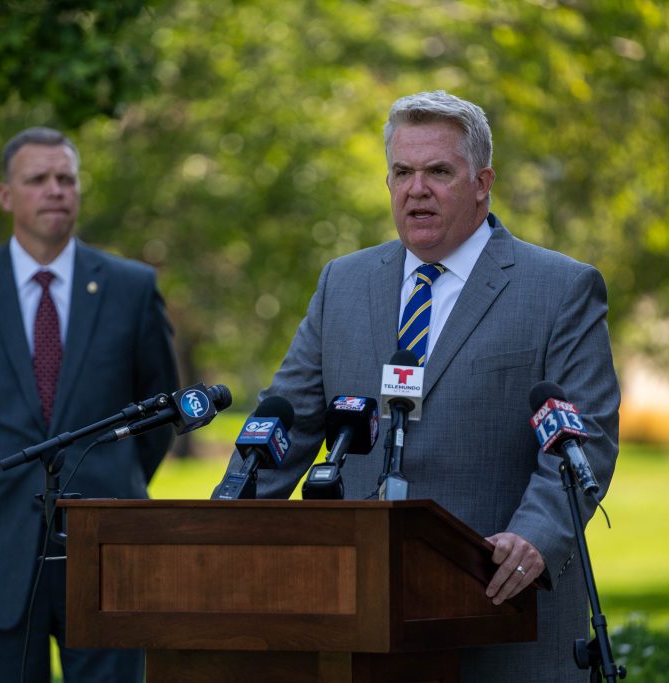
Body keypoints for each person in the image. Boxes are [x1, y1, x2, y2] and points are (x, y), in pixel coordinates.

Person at [216, 91, 620, 681]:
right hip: (360, 619)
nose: (417, 189)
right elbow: (288, 426)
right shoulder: (343, 283)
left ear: (482, 183)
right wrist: (219, 528)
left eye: (439, 172)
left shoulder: (559, 288)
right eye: (402, 172)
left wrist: (534, 538)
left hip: (502, 609)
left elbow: (587, 439)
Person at [0, 126, 179, 682]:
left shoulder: (131, 288)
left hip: (106, 545)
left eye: (66, 178)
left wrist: (110, 476)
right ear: (5, 195)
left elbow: (159, 415)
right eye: (37, 179)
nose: (55, 189)